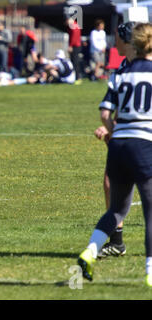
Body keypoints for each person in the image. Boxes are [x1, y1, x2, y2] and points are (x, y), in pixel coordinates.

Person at [77, 23, 152, 286]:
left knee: (117, 210)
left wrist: (112, 132)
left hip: (119, 144)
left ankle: (91, 251)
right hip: (144, 145)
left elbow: (105, 113)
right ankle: (151, 272)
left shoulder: (121, 74)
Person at [93, 21, 139, 258]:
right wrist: (113, 131)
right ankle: (117, 242)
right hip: (127, 135)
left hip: (141, 136)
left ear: (129, 41)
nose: (114, 43)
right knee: (111, 183)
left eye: (117, 38)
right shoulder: (122, 68)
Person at [67, 17, 83, 84]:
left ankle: (77, 78)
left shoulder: (73, 26)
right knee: (76, 62)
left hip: (75, 46)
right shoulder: (76, 25)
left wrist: (70, 45)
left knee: (75, 63)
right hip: (77, 45)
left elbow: (73, 37)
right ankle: (77, 77)